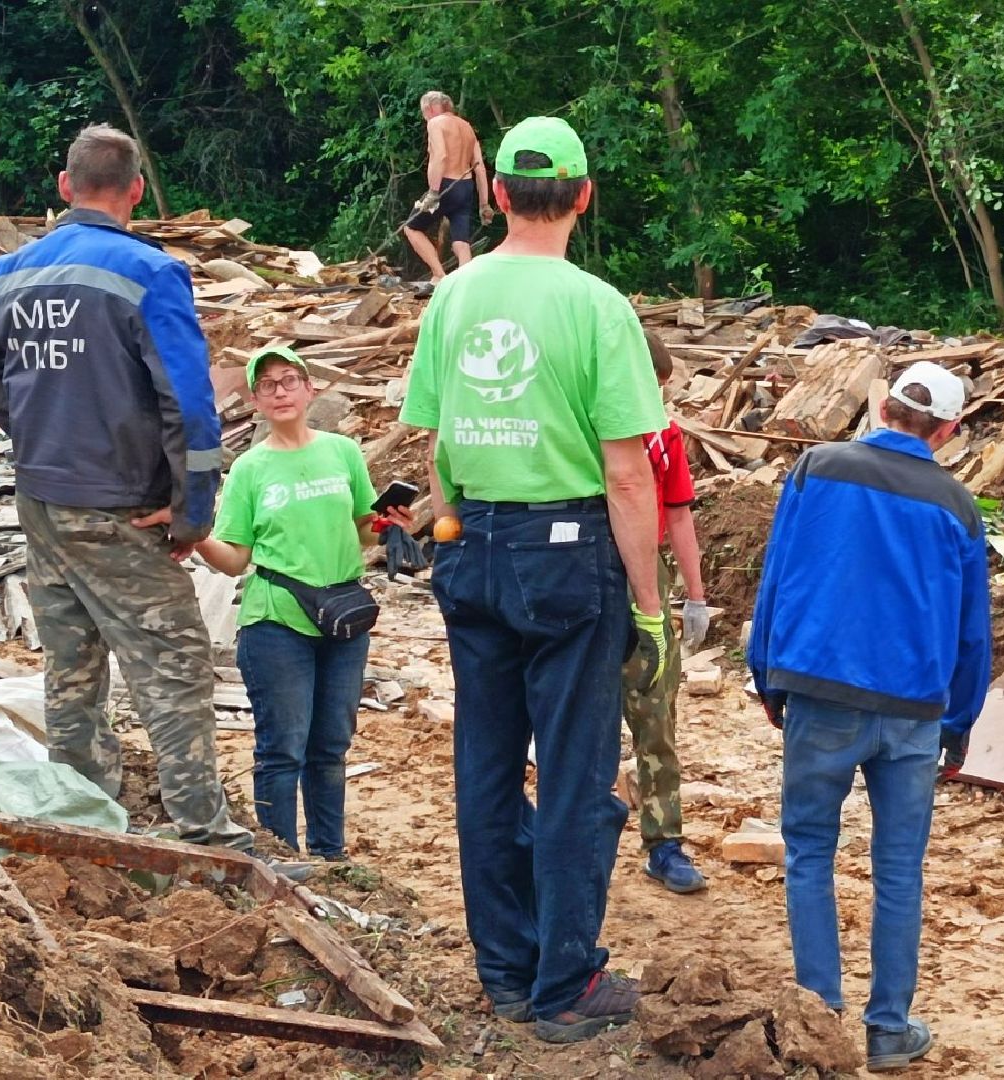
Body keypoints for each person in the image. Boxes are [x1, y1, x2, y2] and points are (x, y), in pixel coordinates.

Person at [399, 115, 670, 1044]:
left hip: (471, 543)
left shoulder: (453, 296)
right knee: (574, 771)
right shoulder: (599, 308)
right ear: (584, 197)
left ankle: (507, 975)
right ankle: (564, 987)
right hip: (566, 551)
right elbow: (628, 473)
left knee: (484, 766)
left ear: (499, 194)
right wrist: (647, 605)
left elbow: (438, 445)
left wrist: (453, 531)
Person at [0, 123, 252, 850]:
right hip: (120, 508)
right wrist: (193, 511)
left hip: (42, 500)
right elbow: (191, 405)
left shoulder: (16, 269)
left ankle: (79, 816)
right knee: (174, 666)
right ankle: (207, 838)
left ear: (64, 186)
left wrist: (29, 419)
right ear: (136, 189)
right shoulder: (149, 272)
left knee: (71, 664)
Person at [748, 361, 991, 1072]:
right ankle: (888, 1029)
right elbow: (972, 631)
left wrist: (768, 676)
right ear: (948, 430)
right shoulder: (957, 506)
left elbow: (777, 576)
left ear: (883, 408)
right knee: (898, 870)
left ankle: (820, 1019)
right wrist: (959, 722)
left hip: (820, 692)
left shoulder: (817, 469)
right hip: (913, 712)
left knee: (809, 852)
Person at [193, 346, 411, 860]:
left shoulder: (343, 452)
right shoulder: (249, 469)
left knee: (330, 745)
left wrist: (387, 523)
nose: (281, 392)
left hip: (343, 620)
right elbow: (235, 559)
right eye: (267, 385)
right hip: (277, 621)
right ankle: (281, 859)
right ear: (255, 401)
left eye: (290, 379)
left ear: (311, 388)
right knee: (282, 748)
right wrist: (195, 536)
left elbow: (363, 530)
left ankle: (330, 856)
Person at [622, 330, 709, 894]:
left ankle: (664, 842)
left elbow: (678, 515)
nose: (651, 398)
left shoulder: (663, 436)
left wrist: (695, 596)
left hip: (646, 573)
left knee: (655, 706)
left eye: (660, 388)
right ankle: (575, 836)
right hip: (584, 567)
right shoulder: (582, 431)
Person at [403, 91, 493, 280]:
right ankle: (466, 282)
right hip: (465, 186)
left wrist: (433, 192)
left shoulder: (436, 123)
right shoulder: (467, 127)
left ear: (430, 108)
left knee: (411, 228)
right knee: (461, 241)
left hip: (445, 186)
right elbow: (479, 167)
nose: (425, 118)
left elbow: (441, 156)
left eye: (424, 113)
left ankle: (439, 276)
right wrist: (484, 204)